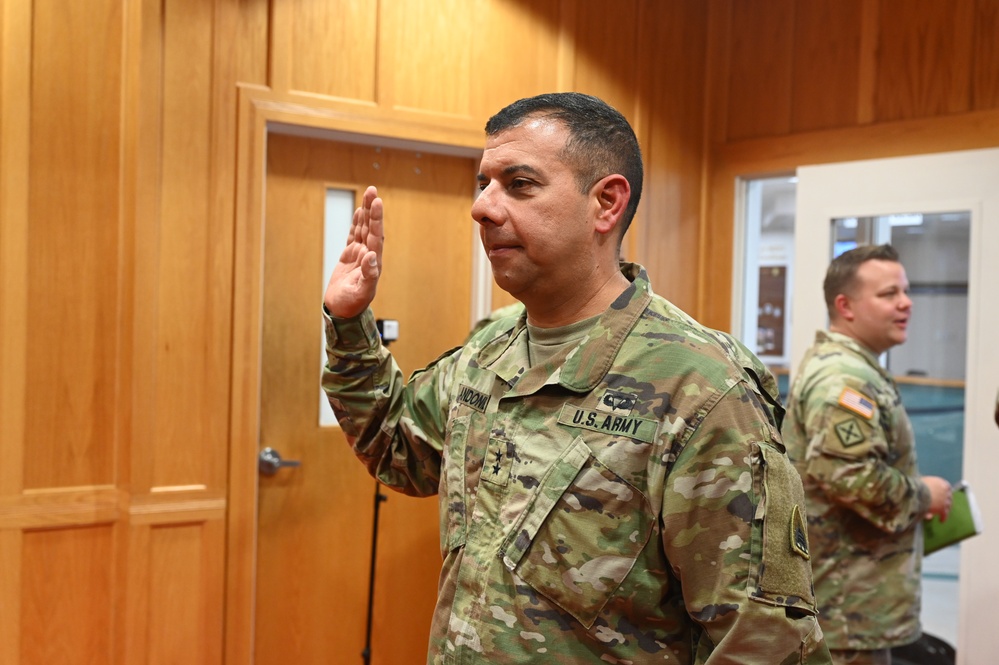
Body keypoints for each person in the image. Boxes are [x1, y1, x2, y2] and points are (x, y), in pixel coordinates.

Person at [322, 92, 829, 664]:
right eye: (483, 183)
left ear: (606, 204)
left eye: (519, 184)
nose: (482, 208)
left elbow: (762, 644)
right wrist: (348, 323)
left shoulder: (702, 389)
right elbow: (398, 449)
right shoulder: (491, 350)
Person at [782, 244, 953, 665]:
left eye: (905, 291)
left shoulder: (853, 367)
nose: (906, 303)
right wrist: (923, 495)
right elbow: (853, 477)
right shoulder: (845, 377)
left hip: (854, 603)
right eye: (888, 293)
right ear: (846, 305)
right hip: (846, 609)